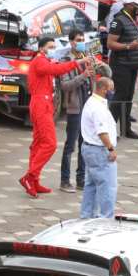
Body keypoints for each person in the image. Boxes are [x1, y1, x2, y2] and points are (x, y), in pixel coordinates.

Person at [20, 38, 88, 198]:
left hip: (44, 103)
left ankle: (34, 179)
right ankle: (30, 177)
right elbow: (56, 70)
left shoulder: (44, 60)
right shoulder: (39, 61)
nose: (53, 48)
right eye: (50, 46)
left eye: (54, 46)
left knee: (38, 144)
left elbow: (55, 68)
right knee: (50, 144)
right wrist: (77, 62)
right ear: (42, 48)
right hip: (41, 104)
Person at [59, 30, 107, 193]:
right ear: (71, 42)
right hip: (74, 107)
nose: (81, 42)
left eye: (83, 39)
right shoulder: (66, 61)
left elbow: (105, 76)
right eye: (78, 40)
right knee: (70, 146)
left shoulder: (87, 56)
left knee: (84, 144)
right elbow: (65, 86)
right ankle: (64, 180)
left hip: (88, 108)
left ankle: (81, 179)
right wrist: (83, 75)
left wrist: (100, 66)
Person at [107, 0, 138, 140]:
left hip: (133, 64)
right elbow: (110, 44)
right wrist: (129, 46)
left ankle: (126, 129)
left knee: (128, 97)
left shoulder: (136, 19)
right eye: (136, 6)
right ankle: (109, 129)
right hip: (121, 65)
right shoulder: (118, 21)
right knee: (119, 97)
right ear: (129, 5)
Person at [80, 77, 118, 218]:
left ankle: (86, 215)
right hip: (99, 151)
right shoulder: (98, 108)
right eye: (110, 89)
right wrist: (111, 149)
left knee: (91, 185)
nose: (112, 92)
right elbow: (102, 132)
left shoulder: (92, 102)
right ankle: (106, 218)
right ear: (103, 89)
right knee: (107, 186)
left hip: (89, 149)